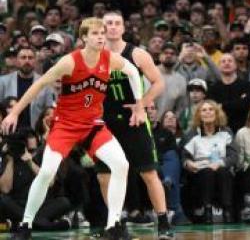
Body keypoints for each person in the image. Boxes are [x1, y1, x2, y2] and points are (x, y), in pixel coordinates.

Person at [1, 17, 144, 240]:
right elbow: (39, 85)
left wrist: (139, 104)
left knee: (121, 164)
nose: (100, 37)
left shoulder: (110, 58)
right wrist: (14, 112)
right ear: (84, 38)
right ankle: (25, 224)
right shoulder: (69, 62)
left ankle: (113, 225)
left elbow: (134, 72)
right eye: (95, 33)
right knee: (47, 172)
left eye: (102, 33)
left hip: (93, 125)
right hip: (66, 125)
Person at [100, 11, 174, 239]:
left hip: (133, 120)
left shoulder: (137, 53)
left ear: (123, 28)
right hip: (104, 122)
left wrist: (142, 105)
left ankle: (163, 223)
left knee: (148, 173)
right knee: (104, 176)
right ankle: (116, 223)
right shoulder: (92, 55)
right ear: (101, 29)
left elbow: (159, 82)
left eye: (116, 23)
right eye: (108, 24)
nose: (112, 27)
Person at [181, 100, 236, 223]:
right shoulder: (191, 134)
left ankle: (227, 211)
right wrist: (188, 164)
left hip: (220, 167)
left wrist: (219, 163)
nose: (208, 112)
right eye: (204, 110)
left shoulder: (226, 132)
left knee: (223, 172)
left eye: (211, 109)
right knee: (207, 173)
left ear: (217, 113)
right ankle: (207, 211)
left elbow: (233, 156)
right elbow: (184, 158)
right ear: (199, 115)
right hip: (200, 171)